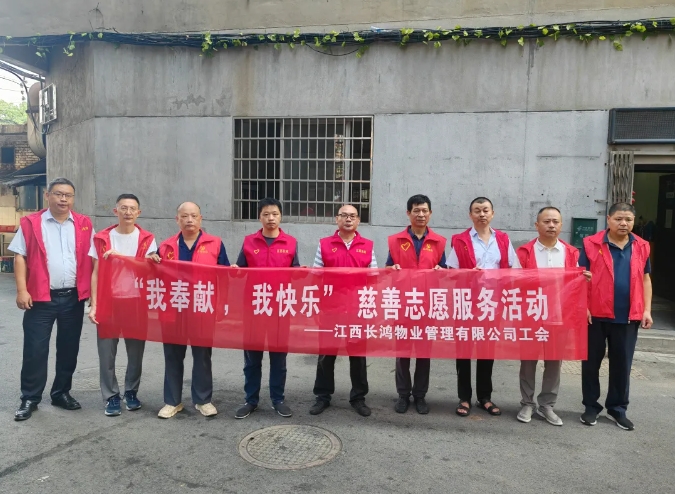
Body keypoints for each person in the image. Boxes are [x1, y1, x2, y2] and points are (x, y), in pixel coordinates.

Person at [9, 177, 94, 421]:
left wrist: (93, 294)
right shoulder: (31, 223)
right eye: (58, 194)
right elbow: (20, 256)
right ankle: (30, 397)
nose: (63, 199)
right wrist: (22, 290)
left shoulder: (84, 224)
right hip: (40, 299)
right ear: (48, 196)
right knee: (35, 349)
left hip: (73, 298)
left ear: (73, 198)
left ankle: (61, 393)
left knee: (69, 348)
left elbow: (95, 258)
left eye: (68, 195)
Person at [578, 202, 652, 431]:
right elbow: (580, 277)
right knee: (591, 364)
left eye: (628, 220)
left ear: (633, 222)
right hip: (595, 315)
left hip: (628, 316)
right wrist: (583, 307)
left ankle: (618, 409)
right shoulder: (590, 244)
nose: (623, 223)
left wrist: (647, 310)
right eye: (619, 219)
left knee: (622, 365)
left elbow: (646, 279)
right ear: (608, 219)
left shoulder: (642, 246)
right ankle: (591, 407)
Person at [448, 196, 520, 418]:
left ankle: (484, 397)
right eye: (477, 210)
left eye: (485, 210)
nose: (482, 214)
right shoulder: (459, 240)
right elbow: (451, 272)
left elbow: (514, 270)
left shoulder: (503, 240)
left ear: (492, 213)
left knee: (487, 351)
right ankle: (464, 397)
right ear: (470, 215)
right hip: (467, 304)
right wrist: (467, 274)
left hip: (492, 305)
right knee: (464, 352)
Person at [88, 193, 160, 417]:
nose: (128, 212)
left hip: (136, 302)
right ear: (115, 211)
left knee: (135, 352)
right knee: (106, 353)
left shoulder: (147, 239)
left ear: (138, 212)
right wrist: (94, 304)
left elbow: (148, 269)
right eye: (123, 208)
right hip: (109, 301)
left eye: (132, 208)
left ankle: (131, 392)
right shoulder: (102, 238)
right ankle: (110, 396)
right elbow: (95, 272)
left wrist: (121, 257)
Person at [157, 202, 230, 419]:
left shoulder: (215, 244)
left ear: (201, 218)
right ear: (177, 219)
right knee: (172, 356)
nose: (189, 220)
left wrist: (222, 306)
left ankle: (203, 400)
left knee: (202, 356)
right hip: (174, 308)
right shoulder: (166, 247)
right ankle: (172, 401)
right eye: (184, 216)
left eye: (194, 216)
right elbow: (156, 277)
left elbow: (224, 277)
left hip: (202, 307)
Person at [515, 206, 586, 426]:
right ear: (537, 225)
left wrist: (583, 279)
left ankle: (547, 405)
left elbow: (575, 285)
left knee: (554, 362)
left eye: (555, 222)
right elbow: (514, 281)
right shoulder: (524, 252)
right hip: (531, 314)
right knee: (528, 361)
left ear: (561, 225)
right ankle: (527, 403)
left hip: (559, 315)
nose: (551, 225)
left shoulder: (571, 253)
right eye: (546, 222)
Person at [232, 198, 300, 419]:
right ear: (259, 217)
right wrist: (234, 270)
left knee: (279, 358)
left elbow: (295, 271)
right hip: (254, 308)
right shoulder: (249, 242)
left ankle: (278, 399)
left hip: (280, 308)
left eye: (275, 214)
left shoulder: (290, 242)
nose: (271, 218)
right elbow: (240, 269)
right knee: (252, 359)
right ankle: (250, 400)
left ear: (281, 216)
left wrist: (302, 272)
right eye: (266, 214)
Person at [309, 204, 377, 417]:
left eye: (353, 216)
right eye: (344, 215)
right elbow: (316, 276)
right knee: (326, 356)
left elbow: (373, 278)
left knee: (358, 356)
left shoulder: (367, 246)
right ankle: (322, 396)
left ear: (358, 221)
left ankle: (358, 397)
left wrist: (369, 309)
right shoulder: (325, 244)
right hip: (330, 310)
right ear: (337, 219)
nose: (348, 219)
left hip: (357, 310)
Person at [387, 194, 446, 415]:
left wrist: (442, 270)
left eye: (424, 211)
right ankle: (403, 394)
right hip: (403, 304)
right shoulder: (395, 241)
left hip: (427, 305)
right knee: (402, 353)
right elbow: (388, 267)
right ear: (408, 213)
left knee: (423, 353)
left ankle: (420, 395)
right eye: (416, 210)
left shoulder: (439, 241)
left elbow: (444, 269)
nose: (420, 214)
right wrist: (391, 269)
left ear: (430, 213)